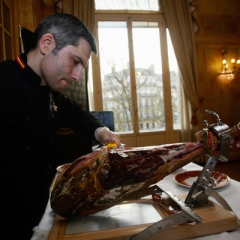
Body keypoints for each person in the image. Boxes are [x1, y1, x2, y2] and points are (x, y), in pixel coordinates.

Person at [0, 13, 120, 239]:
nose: (77, 76)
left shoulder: (50, 91)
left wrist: (102, 132)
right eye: (75, 62)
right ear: (47, 44)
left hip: (40, 213)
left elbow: (75, 114)